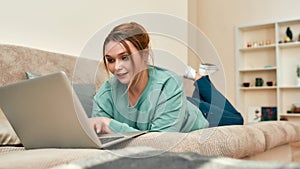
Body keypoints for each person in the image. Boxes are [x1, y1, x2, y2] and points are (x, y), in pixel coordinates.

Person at [89, 22, 243, 134]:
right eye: (110, 60)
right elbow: (101, 136)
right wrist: (104, 125)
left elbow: (161, 142)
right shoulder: (105, 94)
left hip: (196, 111)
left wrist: (109, 124)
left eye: (125, 57)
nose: (116, 67)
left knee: (237, 120)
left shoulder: (169, 84)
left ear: (144, 54)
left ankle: (200, 78)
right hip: (172, 104)